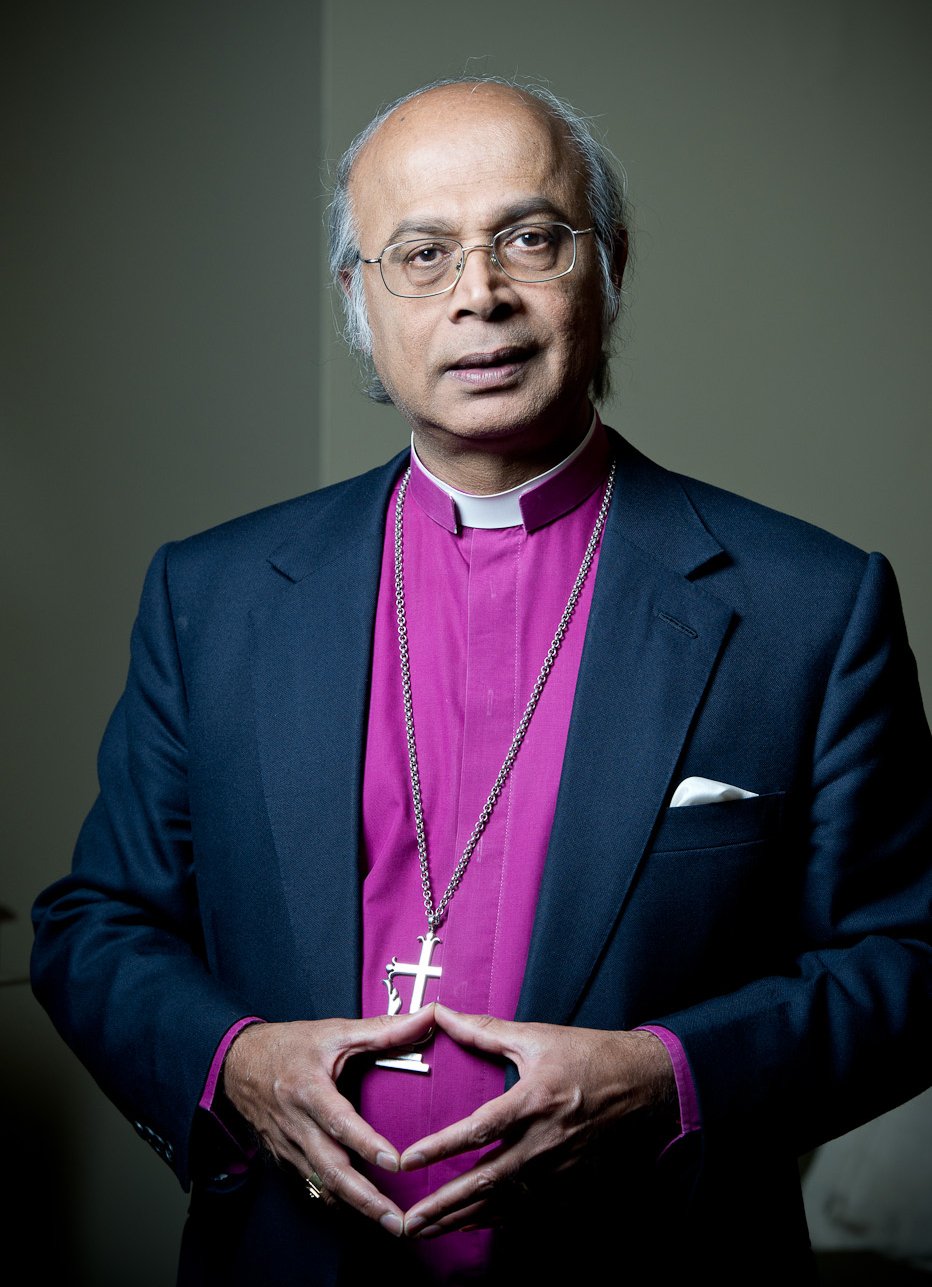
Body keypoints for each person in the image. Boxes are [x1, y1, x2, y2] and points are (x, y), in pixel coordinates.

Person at [31, 75, 932, 1286]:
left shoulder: (807, 606)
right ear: (358, 299)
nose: (479, 294)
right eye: (420, 252)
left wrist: (671, 1078)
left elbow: (908, 960)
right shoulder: (217, 596)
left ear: (606, 266)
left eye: (528, 237)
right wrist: (231, 1062)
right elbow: (93, 928)